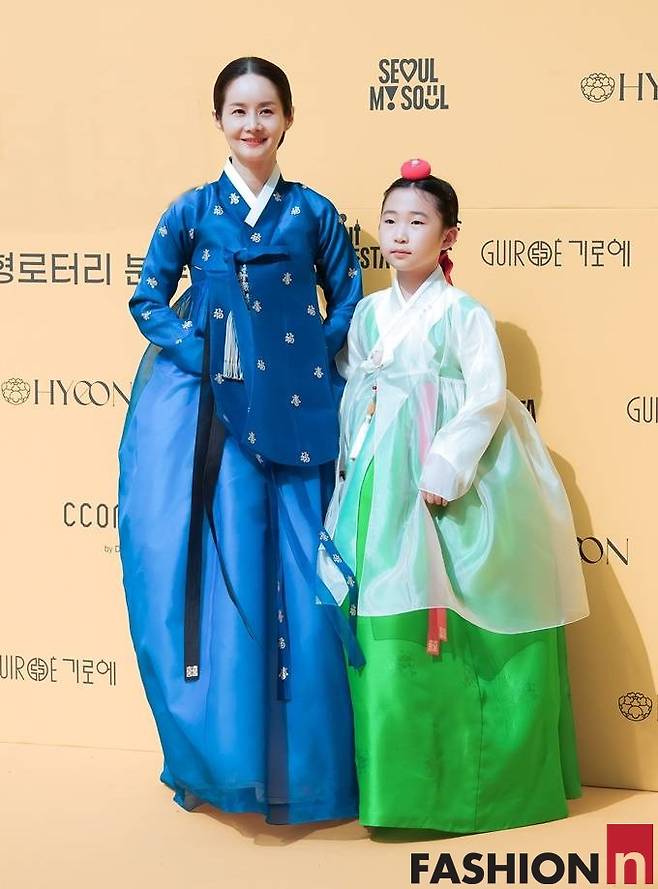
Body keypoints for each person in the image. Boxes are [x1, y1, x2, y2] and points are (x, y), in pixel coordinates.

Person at [119, 57, 363, 825]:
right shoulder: (192, 210)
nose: (252, 125)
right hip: (214, 419)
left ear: (287, 117)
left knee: (301, 578)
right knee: (228, 581)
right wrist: (201, 351)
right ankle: (229, 762)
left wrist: (312, 350)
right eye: (238, 111)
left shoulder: (313, 211)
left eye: (266, 110)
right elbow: (148, 297)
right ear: (219, 121)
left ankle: (314, 768)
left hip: (295, 411)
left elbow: (349, 295)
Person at [319, 159, 590, 833]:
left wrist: (447, 464)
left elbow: (486, 396)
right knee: (385, 616)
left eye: (417, 222)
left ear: (449, 236)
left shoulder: (463, 313)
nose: (399, 234)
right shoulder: (369, 313)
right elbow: (355, 387)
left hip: (442, 481)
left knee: (453, 614)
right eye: (390, 220)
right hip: (377, 482)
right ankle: (397, 790)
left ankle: (476, 791)